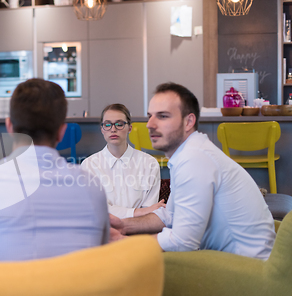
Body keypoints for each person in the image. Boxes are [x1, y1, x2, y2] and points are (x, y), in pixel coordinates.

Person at [0, 78, 109, 261]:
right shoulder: (92, 186)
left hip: (7, 289)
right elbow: (102, 260)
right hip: (75, 289)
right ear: (61, 131)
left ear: (10, 126)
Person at [110, 83, 276, 260]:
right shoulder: (190, 152)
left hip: (248, 270)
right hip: (238, 262)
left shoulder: (194, 158)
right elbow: (170, 215)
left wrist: (123, 243)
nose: (149, 124)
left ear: (188, 122)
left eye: (163, 116)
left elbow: (183, 242)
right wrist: (123, 226)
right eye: (149, 116)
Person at [81, 104, 164, 219]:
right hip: (105, 231)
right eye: (107, 124)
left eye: (119, 124)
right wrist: (136, 212)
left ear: (129, 128)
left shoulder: (149, 163)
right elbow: (95, 209)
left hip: (139, 230)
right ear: (102, 129)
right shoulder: (89, 165)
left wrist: (141, 213)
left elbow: (149, 212)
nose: (113, 129)